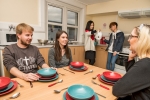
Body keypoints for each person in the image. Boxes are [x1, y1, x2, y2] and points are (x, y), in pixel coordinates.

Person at [113, 24, 150, 100]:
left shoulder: (145, 64)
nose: (128, 40)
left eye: (131, 36)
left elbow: (117, 90)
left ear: (141, 40)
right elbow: (134, 79)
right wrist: (130, 58)